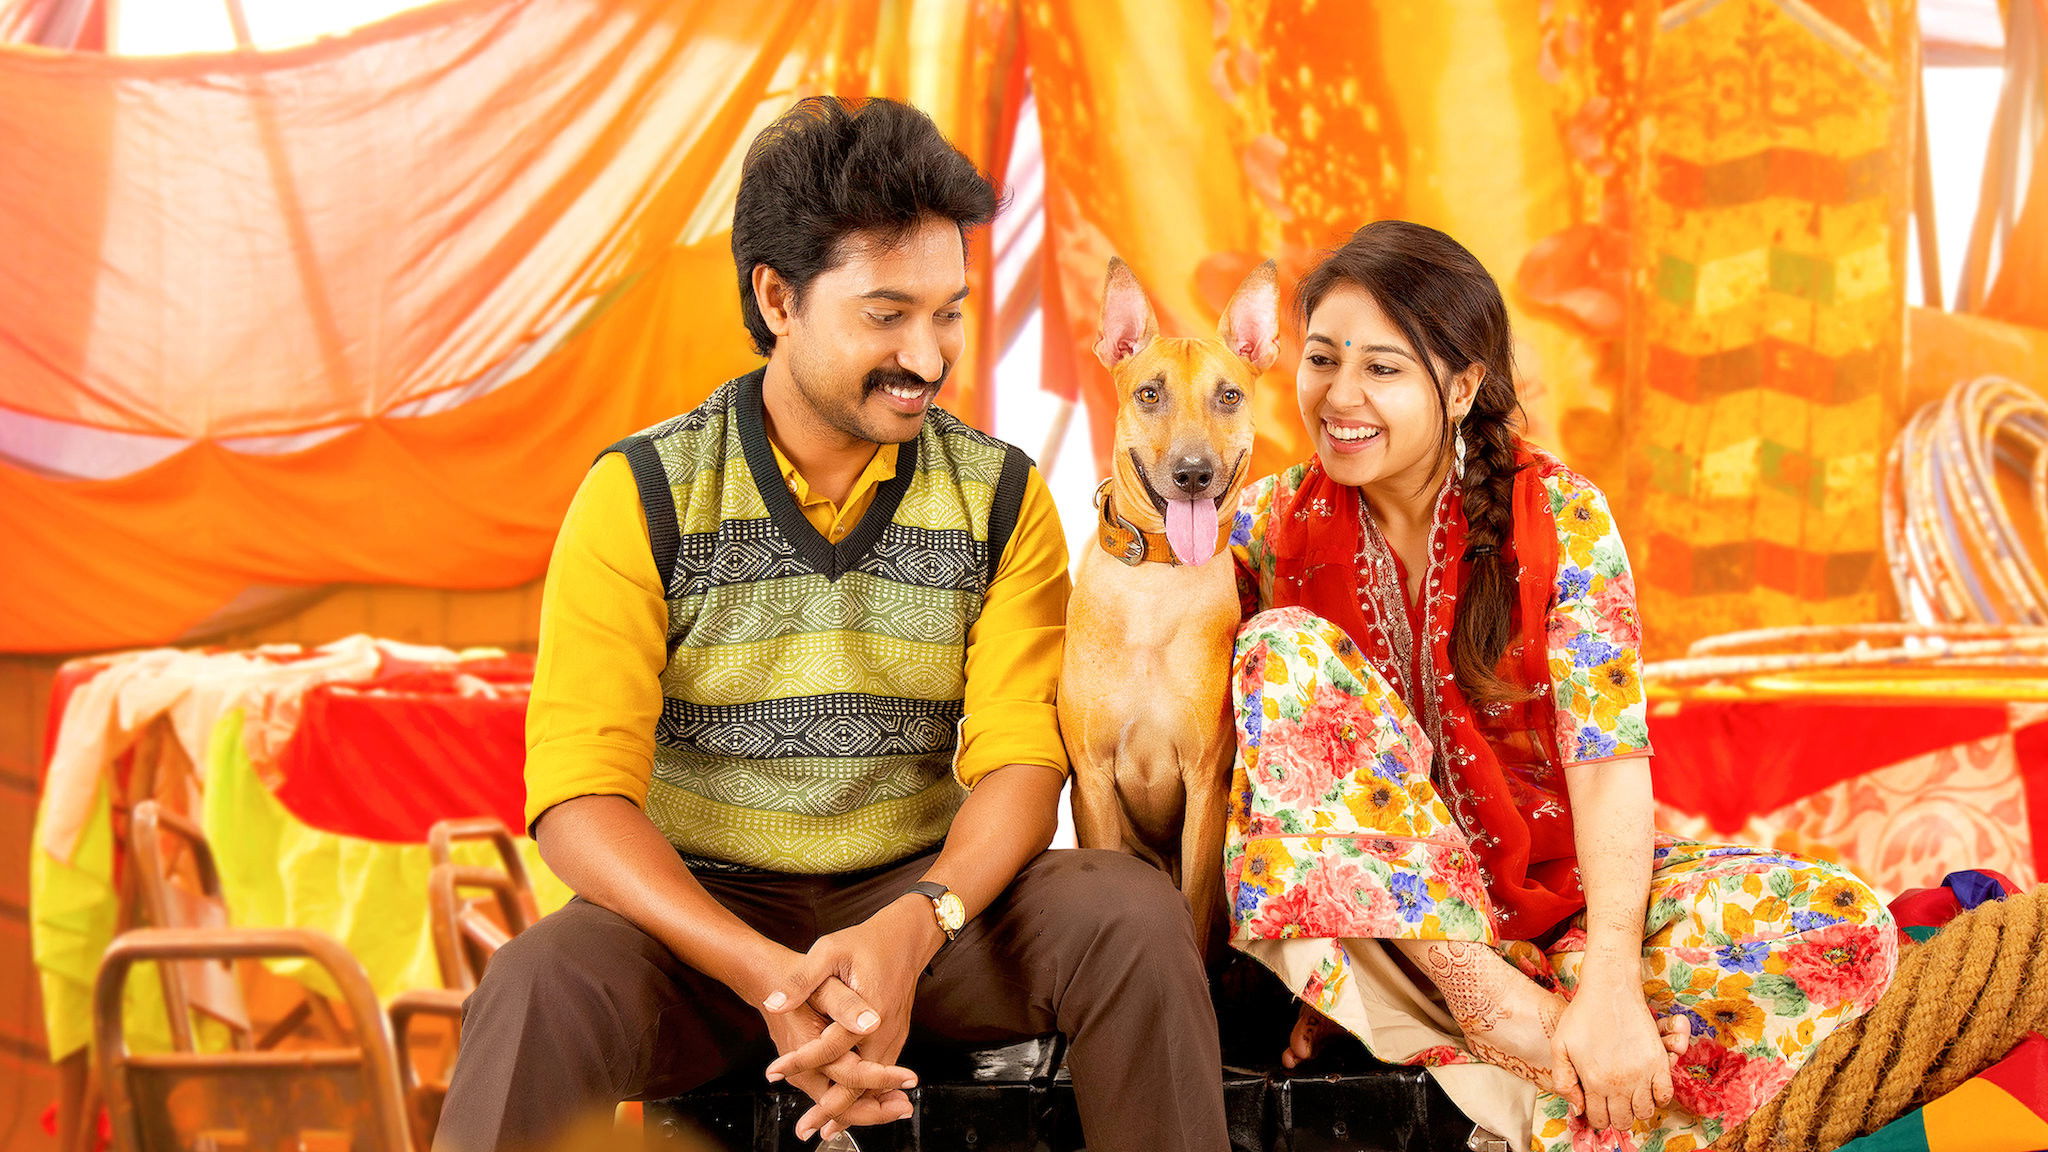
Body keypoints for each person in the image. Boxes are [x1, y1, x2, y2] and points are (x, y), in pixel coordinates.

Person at [433, 96, 1227, 1152]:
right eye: (886, 314)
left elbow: (1022, 767)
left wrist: (913, 927)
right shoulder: (642, 492)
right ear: (778, 298)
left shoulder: (1000, 496)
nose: (928, 356)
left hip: (927, 918)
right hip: (701, 933)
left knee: (1129, 914)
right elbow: (579, 799)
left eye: (948, 314)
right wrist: (759, 970)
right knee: (536, 984)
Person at [1223, 220, 1897, 1152]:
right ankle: (1490, 1012)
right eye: (1322, 358)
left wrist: (1614, 982)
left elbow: (1608, 762)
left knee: (1847, 929)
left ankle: (1539, 1037)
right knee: (1282, 648)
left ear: (1462, 388)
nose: (1340, 396)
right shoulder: (1263, 525)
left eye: (1382, 368)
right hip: (1390, 929)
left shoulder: (1562, 516)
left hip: (1565, 906)